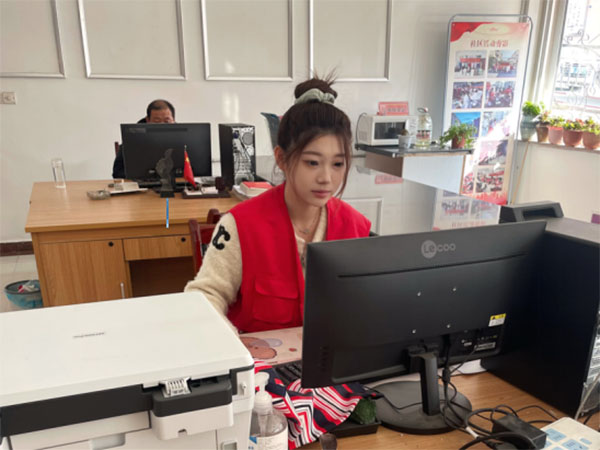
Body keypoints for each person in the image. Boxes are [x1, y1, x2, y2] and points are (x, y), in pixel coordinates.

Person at [185, 76, 371, 333]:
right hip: (258, 357)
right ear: (281, 159)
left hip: (330, 357)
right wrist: (232, 343)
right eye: (312, 162)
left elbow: (362, 304)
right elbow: (206, 295)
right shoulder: (240, 225)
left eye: (338, 164)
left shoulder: (355, 227)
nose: (326, 178)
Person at [111, 99, 176, 179]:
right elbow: (118, 172)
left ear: (173, 120)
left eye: (167, 122)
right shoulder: (133, 138)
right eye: (157, 122)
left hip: (176, 183)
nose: (162, 127)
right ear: (148, 120)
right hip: (143, 183)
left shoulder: (183, 138)